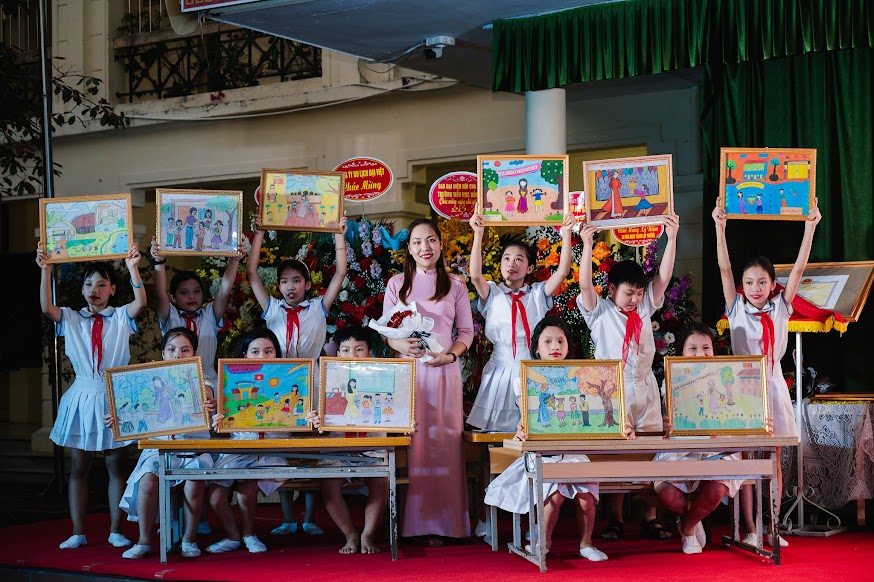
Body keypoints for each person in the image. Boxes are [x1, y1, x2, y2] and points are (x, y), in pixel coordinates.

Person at [713, 197, 821, 548]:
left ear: (772, 283)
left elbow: (799, 270)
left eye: (762, 282)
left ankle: (773, 527)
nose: (756, 288)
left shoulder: (780, 307)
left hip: (772, 383)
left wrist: (810, 227)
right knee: (746, 460)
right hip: (742, 388)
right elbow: (724, 269)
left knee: (773, 460)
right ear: (742, 285)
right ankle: (749, 528)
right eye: (749, 282)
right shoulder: (735, 308)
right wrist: (719, 226)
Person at [37, 243, 147, 550]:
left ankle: (116, 530)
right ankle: (78, 531)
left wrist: (133, 267)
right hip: (83, 396)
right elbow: (46, 308)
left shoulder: (122, 316)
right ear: (82, 289)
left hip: (114, 396)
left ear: (112, 289)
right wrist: (46, 270)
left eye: (101, 285)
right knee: (79, 466)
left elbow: (141, 301)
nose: (94, 290)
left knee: (116, 465)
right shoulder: (71, 318)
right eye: (89, 284)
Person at [576, 215, 679, 542]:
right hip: (610, 392)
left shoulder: (645, 308)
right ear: (611, 290)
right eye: (629, 293)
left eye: (639, 293)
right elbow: (584, 286)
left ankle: (650, 517)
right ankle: (615, 518)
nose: (635, 299)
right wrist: (588, 243)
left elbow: (664, 277)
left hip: (645, 388)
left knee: (648, 450)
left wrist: (672, 237)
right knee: (615, 454)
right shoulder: (599, 312)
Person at [248, 212, 347, 536]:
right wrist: (259, 234)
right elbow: (251, 274)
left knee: (312, 443)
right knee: (280, 443)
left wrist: (338, 233)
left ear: (307, 284)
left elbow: (341, 272)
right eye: (284, 281)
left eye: (296, 280)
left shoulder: (319, 307)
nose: (290, 286)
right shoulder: (272, 308)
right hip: (278, 380)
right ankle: (288, 517)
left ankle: (309, 517)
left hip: (313, 378)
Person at [379, 218, 475, 545]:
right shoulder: (397, 284)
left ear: (441, 244)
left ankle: (450, 524)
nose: (425, 247)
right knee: (414, 444)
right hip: (409, 375)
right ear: (408, 248)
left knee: (446, 446)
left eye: (431, 240)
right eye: (418, 242)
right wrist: (399, 344)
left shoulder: (456, 285)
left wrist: (450, 356)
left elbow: (466, 332)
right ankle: (413, 525)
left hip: (444, 373)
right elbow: (387, 331)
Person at [484, 317, 608, 562]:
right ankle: (543, 542)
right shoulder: (525, 378)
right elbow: (526, 417)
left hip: (573, 453)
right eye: (548, 342)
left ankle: (586, 544)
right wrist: (521, 429)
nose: (555, 347)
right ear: (537, 348)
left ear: (568, 346)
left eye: (561, 341)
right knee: (555, 493)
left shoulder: (580, 377)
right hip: (542, 454)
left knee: (586, 498)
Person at [206, 328, 318, 553]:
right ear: (245, 355)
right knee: (216, 496)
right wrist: (218, 421)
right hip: (238, 451)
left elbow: (304, 417)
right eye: (255, 351)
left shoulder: (290, 382)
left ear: (276, 354)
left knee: (246, 489)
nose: (262, 356)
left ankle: (249, 535)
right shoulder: (230, 382)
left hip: (272, 452)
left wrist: (311, 418)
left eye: (268, 351)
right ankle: (233, 536)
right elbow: (222, 422)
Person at [466, 211, 575, 432]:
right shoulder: (493, 293)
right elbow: (475, 275)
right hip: (500, 365)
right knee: (495, 429)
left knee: (534, 423)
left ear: (530, 268)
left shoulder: (537, 294)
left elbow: (562, 272)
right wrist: (478, 234)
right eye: (506, 258)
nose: (512, 263)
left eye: (519, 259)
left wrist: (566, 233)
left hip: (532, 364)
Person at [113, 328, 216, 559]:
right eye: (172, 349)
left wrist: (209, 402)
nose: (178, 354)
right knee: (148, 480)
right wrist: (118, 418)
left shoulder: (202, 378)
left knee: (194, 481)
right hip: (159, 447)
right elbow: (135, 409)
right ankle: (144, 540)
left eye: (185, 349)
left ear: (194, 353)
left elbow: (208, 395)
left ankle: (189, 539)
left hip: (193, 446)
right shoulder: (151, 380)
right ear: (163, 353)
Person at [653, 323, 743, 555]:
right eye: (692, 348)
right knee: (665, 492)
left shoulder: (727, 377)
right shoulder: (672, 379)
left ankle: (688, 526)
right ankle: (693, 518)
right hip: (681, 446)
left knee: (717, 488)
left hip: (717, 447)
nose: (700, 353)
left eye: (706, 348)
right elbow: (667, 416)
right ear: (682, 351)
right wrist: (665, 423)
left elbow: (736, 409)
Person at [317, 326, 390, 554]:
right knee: (329, 484)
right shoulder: (327, 379)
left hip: (372, 445)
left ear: (370, 353)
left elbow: (395, 409)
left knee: (380, 481)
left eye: (359, 349)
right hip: (337, 446)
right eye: (346, 350)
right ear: (338, 354)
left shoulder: (383, 377)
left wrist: (406, 421)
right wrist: (316, 418)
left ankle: (368, 535)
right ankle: (350, 534)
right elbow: (319, 414)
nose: (352, 354)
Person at [149, 237, 245, 384]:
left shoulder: (210, 315)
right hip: (175, 379)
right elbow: (160, 294)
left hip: (207, 380)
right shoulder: (170, 315)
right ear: (173, 298)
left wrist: (235, 260)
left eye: (197, 291)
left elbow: (224, 291)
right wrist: (159, 261)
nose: (191, 296)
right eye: (184, 292)